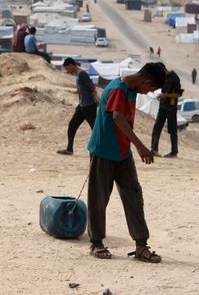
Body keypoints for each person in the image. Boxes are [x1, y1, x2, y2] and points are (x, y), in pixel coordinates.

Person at [86, 62, 167, 263]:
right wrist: (140, 146)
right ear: (146, 81)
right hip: (103, 151)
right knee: (99, 199)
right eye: (151, 88)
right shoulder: (117, 89)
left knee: (134, 196)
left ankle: (141, 246)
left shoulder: (132, 90)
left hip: (123, 153)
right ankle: (96, 243)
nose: (149, 92)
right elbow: (118, 118)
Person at [56, 58, 98, 156]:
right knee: (72, 126)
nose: (67, 70)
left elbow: (91, 86)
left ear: (71, 65)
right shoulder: (78, 74)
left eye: (67, 68)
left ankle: (101, 150)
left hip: (89, 106)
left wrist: (93, 94)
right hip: (82, 106)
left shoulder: (82, 73)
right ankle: (69, 149)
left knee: (95, 129)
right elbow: (83, 88)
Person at [151, 70, 183, 158]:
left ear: (165, 70)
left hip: (171, 108)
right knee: (157, 128)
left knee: (172, 130)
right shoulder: (163, 78)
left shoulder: (175, 78)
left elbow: (178, 94)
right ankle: (154, 150)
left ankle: (174, 152)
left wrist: (165, 95)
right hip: (162, 106)